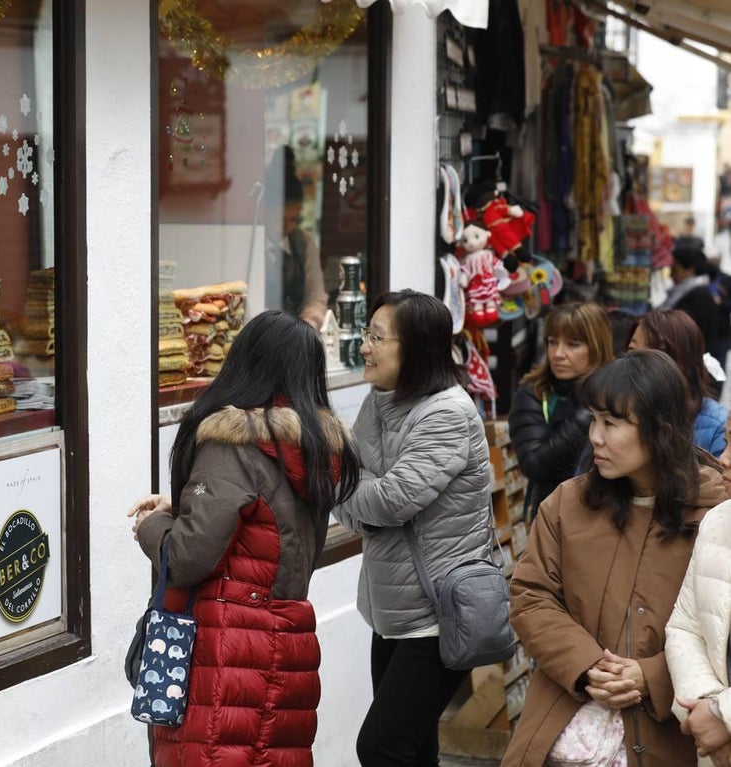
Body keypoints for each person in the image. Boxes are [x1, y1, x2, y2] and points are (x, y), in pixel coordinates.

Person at [127, 309, 360, 767]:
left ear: (246, 362)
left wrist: (151, 526)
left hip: (224, 657)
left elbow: (188, 557)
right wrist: (182, 504)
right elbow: (270, 522)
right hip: (285, 645)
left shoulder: (233, 444)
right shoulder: (311, 450)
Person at [502, 350, 726, 767]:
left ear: (660, 430)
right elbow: (532, 595)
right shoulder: (567, 504)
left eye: (611, 423)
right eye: (593, 420)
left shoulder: (715, 518)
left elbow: (719, 634)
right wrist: (586, 665)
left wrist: (652, 676)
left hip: (670, 735)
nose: (595, 437)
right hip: (563, 723)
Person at [329, 289, 491, 766]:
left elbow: (388, 501)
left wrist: (352, 490)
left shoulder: (447, 413)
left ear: (416, 347)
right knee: (415, 750)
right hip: (392, 609)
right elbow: (353, 497)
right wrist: (356, 493)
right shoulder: (380, 401)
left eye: (377, 337)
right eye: (367, 333)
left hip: (439, 613)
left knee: (381, 747)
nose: (364, 347)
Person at [509, 302, 614, 520]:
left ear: (597, 347)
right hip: (554, 518)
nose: (558, 354)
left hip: (611, 513)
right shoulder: (535, 393)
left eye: (572, 344)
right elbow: (534, 464)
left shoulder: (618, 394)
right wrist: (588, 414)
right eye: (552, 342)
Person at [666, 414, 731, 767]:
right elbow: (684, 628)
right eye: (727, 441)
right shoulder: (718, 522)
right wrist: (705, 707)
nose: (723, 459)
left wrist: (724, 716)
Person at [628, 308, 727, 455]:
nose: (636, 362)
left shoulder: (718, 425)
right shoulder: (615, 409)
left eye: (652, 354)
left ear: (683, 362)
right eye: (631, 349)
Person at [263, 145, 328, 329]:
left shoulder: (303, 242)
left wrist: (308, 322)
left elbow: (316, 297)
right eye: (279, 219)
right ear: (264, 211)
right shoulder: (251, 244)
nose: (286, 227)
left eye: (293, 219)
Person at [663, 245, 719, 355]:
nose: (670, 275)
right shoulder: (693, 292)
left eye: (675, 270)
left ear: (689, 270)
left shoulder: (697, 296)